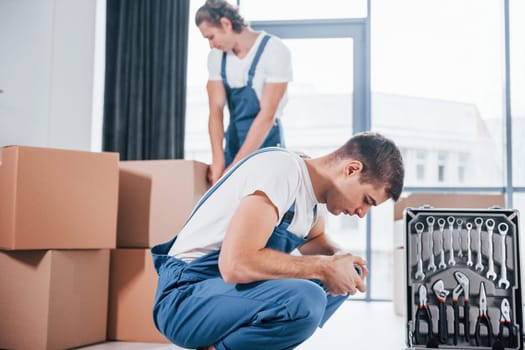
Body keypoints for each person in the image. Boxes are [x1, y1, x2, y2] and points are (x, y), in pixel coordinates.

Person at [151, 132, 405, 350]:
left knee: (345, 274)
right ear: (351, 169)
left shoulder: (313, 199)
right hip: (185, 298)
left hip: (220, 294)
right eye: (367, 201)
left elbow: (316, 240)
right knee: (307, 299)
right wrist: (324, 266)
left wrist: (343, 259)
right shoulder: (281, 170)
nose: (362, 213)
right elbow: (235, 264)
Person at [195, 0, 293, 184]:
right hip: (234, 140)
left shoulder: (274, 51)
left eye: (211, 37)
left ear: (226, 23)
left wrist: (236, 166)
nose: (211, 45)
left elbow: (267, 116)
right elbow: (215, 111)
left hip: (267, 141)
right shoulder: (217, 57)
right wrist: (218, 160)